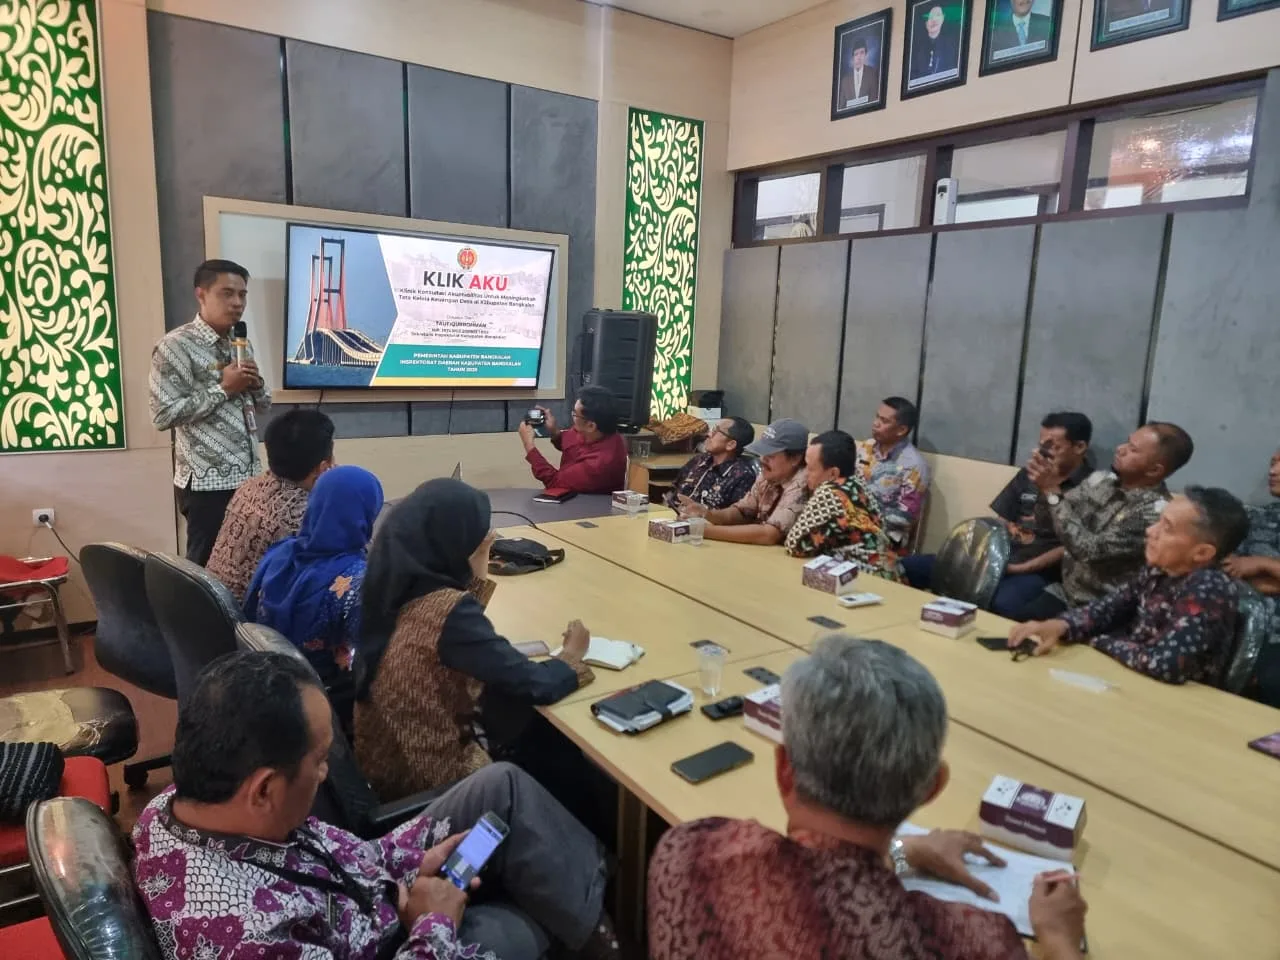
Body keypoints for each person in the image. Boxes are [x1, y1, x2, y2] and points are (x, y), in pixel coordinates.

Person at [132, 651, 619, 960]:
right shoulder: (247, 938)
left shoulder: (186, 802)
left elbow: (332, 860)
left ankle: (594, 918)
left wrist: (408, 863)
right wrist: (433, 923)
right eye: (320, 760)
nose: (326, 773)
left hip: (375, 897)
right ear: (264, 790)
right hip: (399, 943)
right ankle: (596, 932)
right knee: (528, 923)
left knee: (501, 785)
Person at [647, 636, 1088, 960]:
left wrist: (903, 852)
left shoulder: (687, 854)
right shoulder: (977, 944)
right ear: (931, 788)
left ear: (783, 770)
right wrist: (1059, 941)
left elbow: (828, 867)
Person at [354, 478, 595, 801]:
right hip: (440, 786)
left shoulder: (392, 583)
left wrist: (479, 555)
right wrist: (571, 656)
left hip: (388, 767)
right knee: (555, 747)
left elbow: (454, 636)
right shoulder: (448, 613)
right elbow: (535, 683)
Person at [1009, 487, 1247, 686]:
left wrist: (1098, 641)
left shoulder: (1210, 587)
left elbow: (1165, 664)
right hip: (1135, 679)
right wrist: (1061, 625)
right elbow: (1108, 608)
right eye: (1158, 521)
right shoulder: (1159, 570)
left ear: (1202, 553)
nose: (1150, 531)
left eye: (1167, 527)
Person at [902, 412, 1093, 617]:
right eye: (1042, 445)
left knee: (1002, 604)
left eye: (1054, 447)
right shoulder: (1030, 474)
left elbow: (1072, 547)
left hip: (1040, 571)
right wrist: (983, 556)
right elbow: (1001, 521)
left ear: (1079, 447)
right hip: (1000, 558)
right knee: (910, 566)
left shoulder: (1094, 487)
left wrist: (1020, 568)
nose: (1043, 453)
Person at [150, 259, 271, 566]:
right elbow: (163, 415)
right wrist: (224, 388)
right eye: (227, 293)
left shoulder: (240, 343)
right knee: (208, 568)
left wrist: (256, 384)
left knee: (248, 563)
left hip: (249, 477)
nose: (237, 303)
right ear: (201, 294)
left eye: (242, 295)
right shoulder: (175, 346)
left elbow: (263, 405)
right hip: (208, 484)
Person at [1012, 422, 1192, 622]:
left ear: (1154, 470)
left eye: (1133, 449)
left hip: (1103, 607)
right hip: (1068, 591)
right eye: (1127, 442)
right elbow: (1049, 521)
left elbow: (1088, 551)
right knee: (1013, 622)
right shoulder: (1101, 480)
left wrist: (1052, 492)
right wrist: (1044, 488)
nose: (1120, 449)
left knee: (1031, 630)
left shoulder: (1153, 512)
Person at [244, 465, 384, 722]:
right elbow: (374, 664)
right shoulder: (355, 582)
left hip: (265, 688)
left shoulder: (280, 554)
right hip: (323, 707)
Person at [207, 409, 336, 603]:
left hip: (212, 603)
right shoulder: (303, 517)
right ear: (323, 467)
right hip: (247, 617)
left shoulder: (249, 486)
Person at [784, 430, 901, 582]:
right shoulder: (857, 482)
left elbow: (794, 545)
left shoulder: (830, 492)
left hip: (862, 577)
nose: (806, 473)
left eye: (810, 468)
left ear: (833, 473)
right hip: (889, 574)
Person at [677, 418, 810, 545]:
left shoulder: (803, 483)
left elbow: (769, 535)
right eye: (762, 453)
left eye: (770, 455)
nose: (762, 460)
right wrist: (707, 514)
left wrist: (702, 530)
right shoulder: (768, 475)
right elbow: (741, 512)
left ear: (795, 458)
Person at [1220, 448, 1280, 706]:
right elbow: (1229, 569)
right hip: (1239, 623)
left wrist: (1262, 563)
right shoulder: (1255, 517)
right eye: (1273, 463)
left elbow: (1246, 567)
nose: (1273, 471)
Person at [519, 386, 627, 494]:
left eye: (575, 414)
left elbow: (554, 483)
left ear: (591, 426)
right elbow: (571, 446)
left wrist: (528, 445)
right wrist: (554, 432)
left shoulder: (599, 464)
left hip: (586, 502)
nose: (573, 418)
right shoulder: (594, 431)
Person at [856, 397, 930, 549]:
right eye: (877, 417)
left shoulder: (914, 465)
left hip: (886, 536)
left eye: (884, 421)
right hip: (853, 524)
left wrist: (862, 518)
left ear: (901, 430)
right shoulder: (865, 447)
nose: (876, 423)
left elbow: (905, 517)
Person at [663, 417, 757, 511]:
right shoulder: (699, 460)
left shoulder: (742, 476)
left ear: (730, 445)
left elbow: (736, 515)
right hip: (671, 515)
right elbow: (673, 490)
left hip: (702, 520)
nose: (709, 434)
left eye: (716, 431)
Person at [909, 3, 959, 82]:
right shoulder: (916, 48)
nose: (934, 20)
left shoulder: (951, 45)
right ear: (926, 23)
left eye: (938, 15)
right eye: (931, 16)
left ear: (943, 19)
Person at [839, 37, 880, 106]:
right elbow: (841, 106)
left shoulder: (873, 73)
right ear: (853, 57)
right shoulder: (845, 80)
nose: (859, 57)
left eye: (862, 53)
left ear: (865, 54)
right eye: (856, 54)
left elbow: (874, 99)